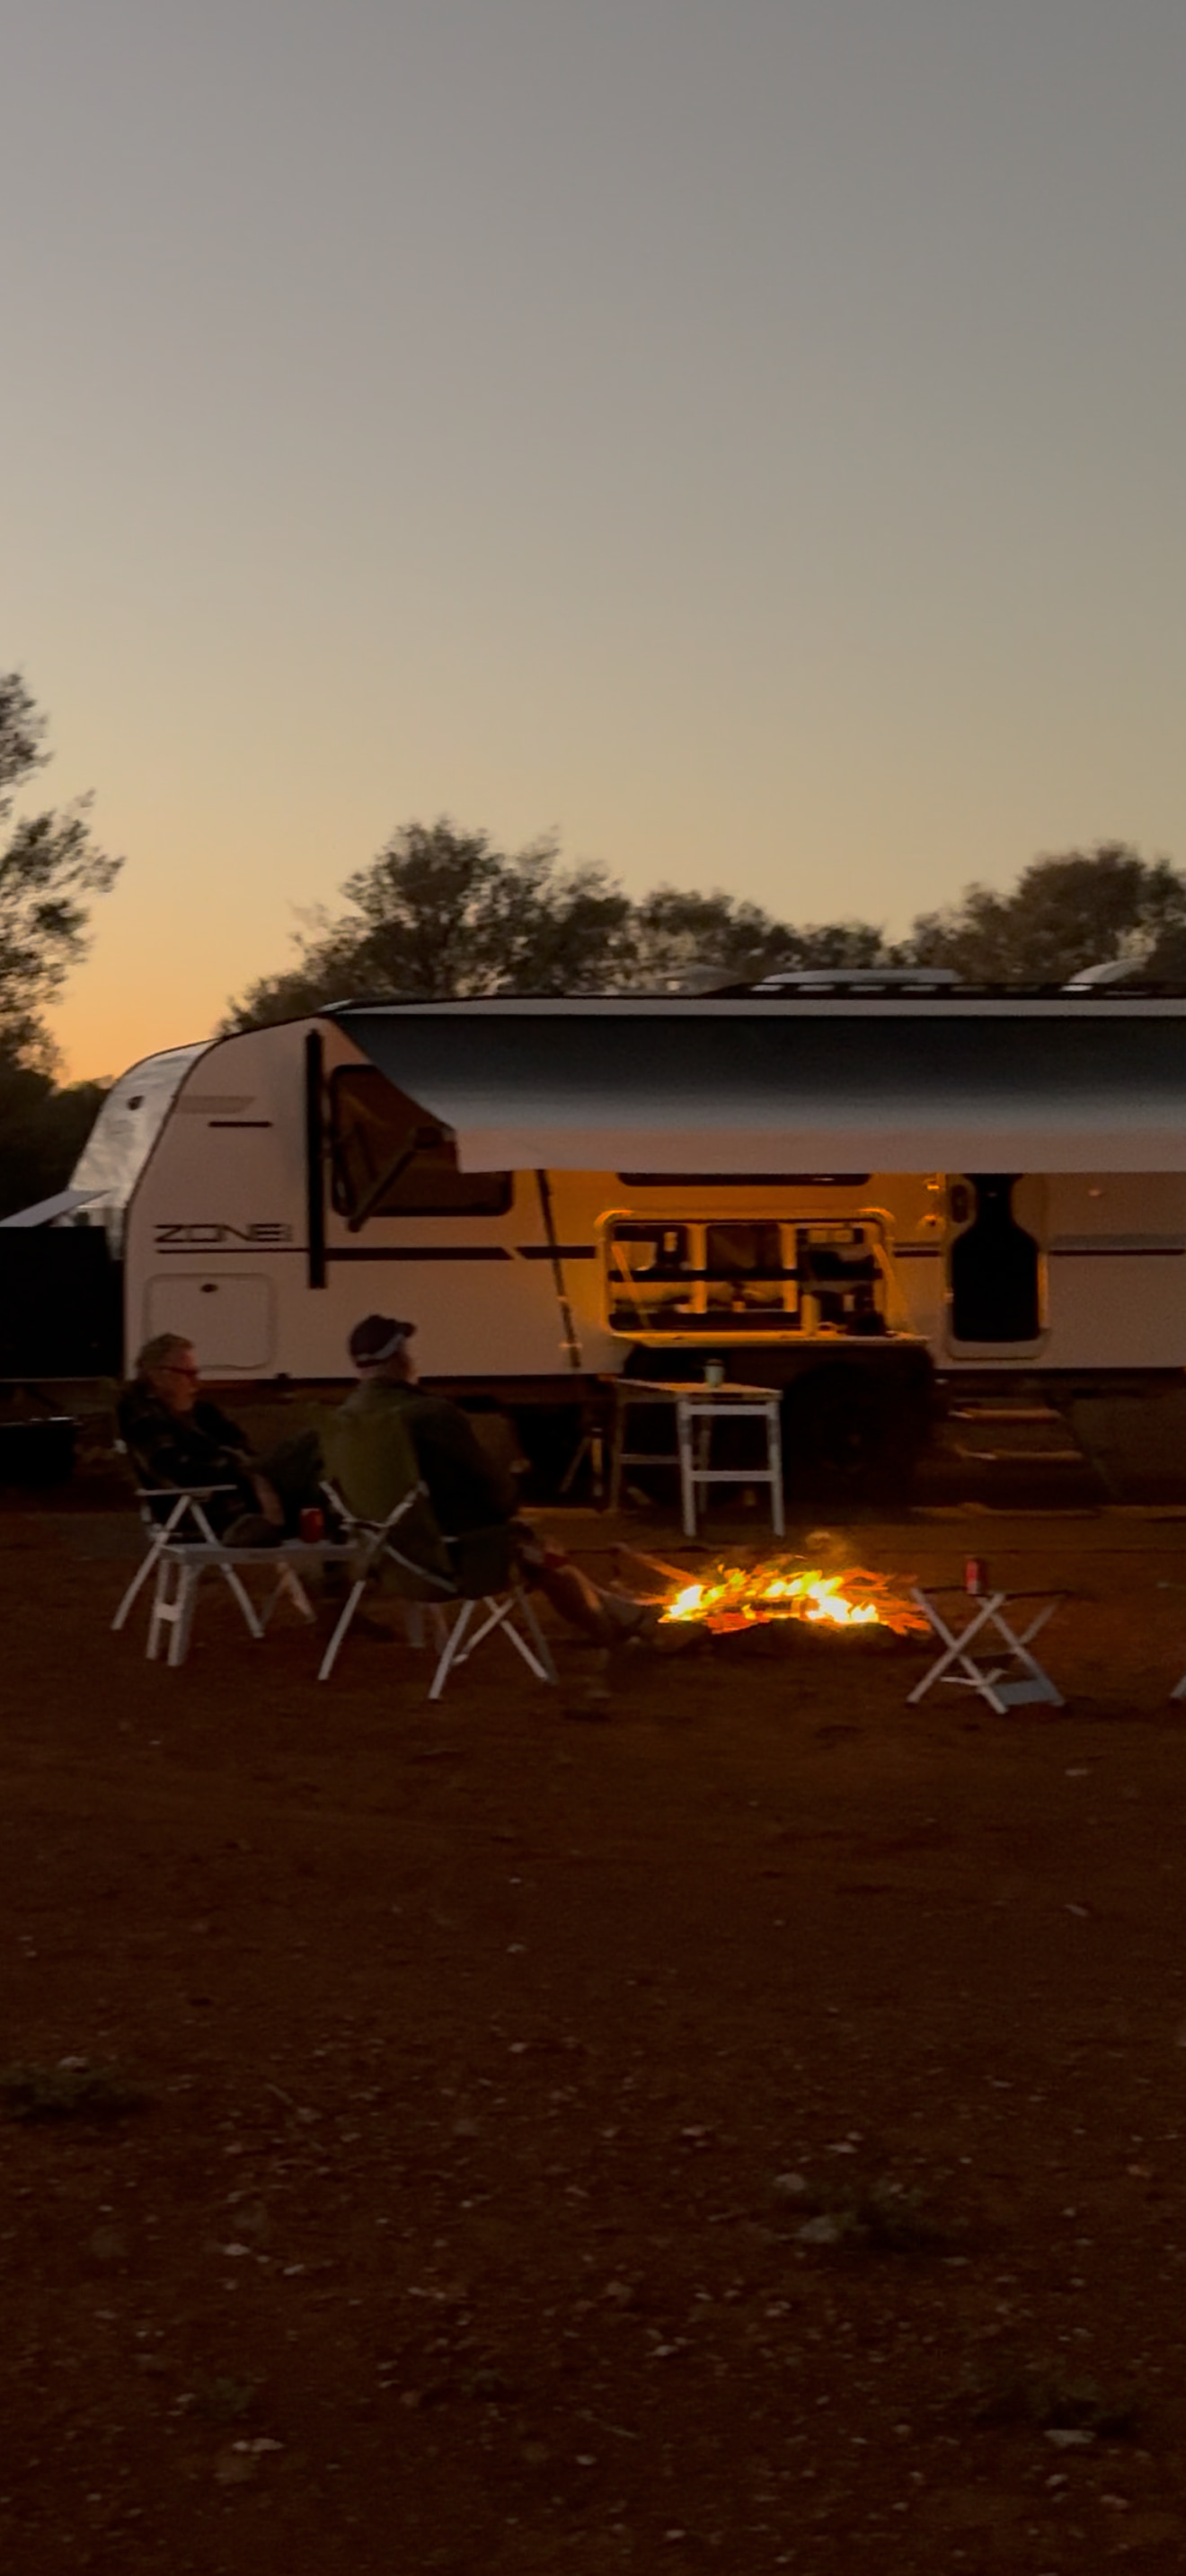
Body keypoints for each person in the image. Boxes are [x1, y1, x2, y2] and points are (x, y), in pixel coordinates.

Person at [334, 1314, 652, 1651]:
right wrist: (510, 1513)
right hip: (451, 1561)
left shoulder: (342, 1421)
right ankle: (613, 1634)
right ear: (400, 1359)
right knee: (539, 1553)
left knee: (533, 1546)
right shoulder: (431, 1414)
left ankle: (623, 1613)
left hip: (386, 1560)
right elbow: (489, 1487)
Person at [117, 1333, 321, 1542]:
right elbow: (177, 1470)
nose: (196, 1383)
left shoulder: (202, 1412)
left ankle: (323, 1554)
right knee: (313, 1444)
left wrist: (252, 1473)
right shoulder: (143, 1415)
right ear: (159, 1375)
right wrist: (247, 1474)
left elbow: (240, 1443)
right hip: (218, 1512)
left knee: (316, 1457)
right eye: (188, 1374)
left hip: (244, 1495)